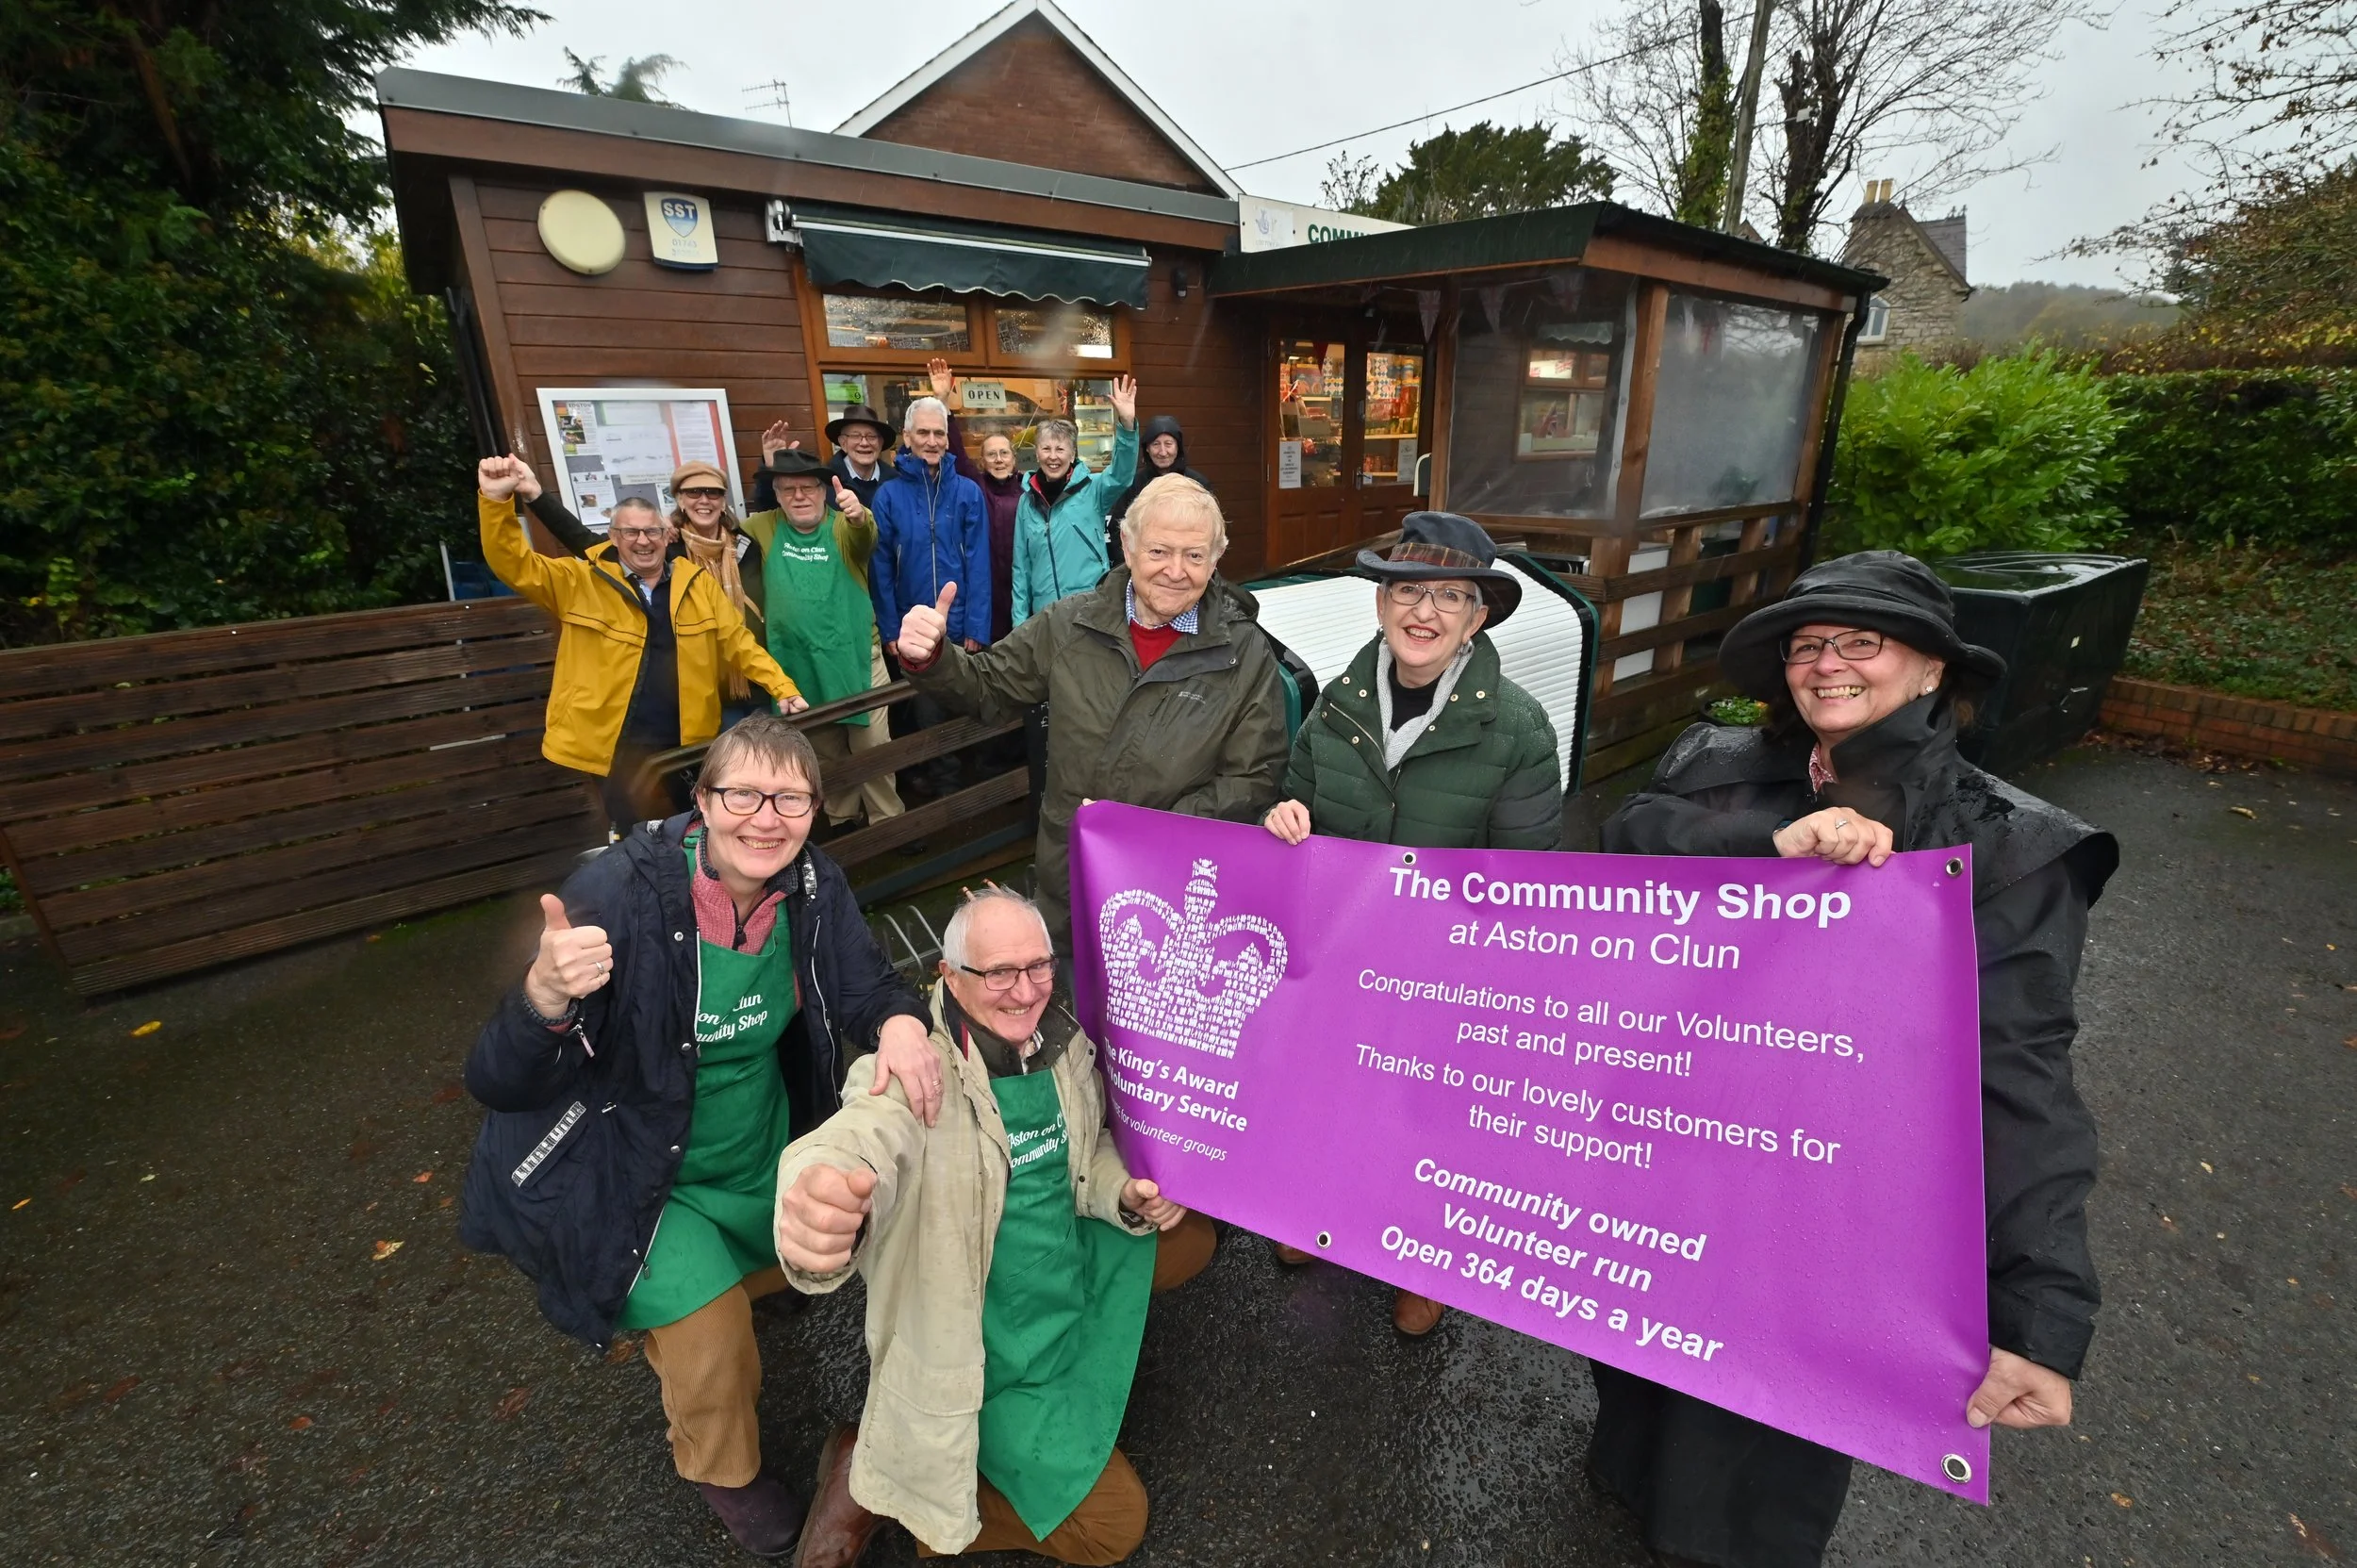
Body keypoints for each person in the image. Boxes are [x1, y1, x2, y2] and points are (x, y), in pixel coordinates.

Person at [1588, 551, 2116, 1568]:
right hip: (1662, 1150)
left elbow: (2018, 1079)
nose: (1827, 664)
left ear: (1931, 670)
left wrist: (2039, 1313)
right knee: (1639, 1375)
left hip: (1824, 1196)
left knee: (1752, 1446)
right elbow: (1623, 851)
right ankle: (1625, 1484)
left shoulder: (2006, 847)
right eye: (1806, 645)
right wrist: (1765, 847)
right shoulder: (1715, 764)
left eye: (1860, 642)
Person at [457, 716, 951, 1558]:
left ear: (814, 808)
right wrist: (545, 995)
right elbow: (497, 1079)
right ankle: (723, 1470)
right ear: (702, 801)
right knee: (713, 1331)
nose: (766, 817)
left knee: (846, 1231)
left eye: (789, 797)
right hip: (639, 1171)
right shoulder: (618, 895)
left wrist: (902, 1021)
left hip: (753, 1144)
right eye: (742, 794)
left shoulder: (812, 886)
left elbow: (867, 986)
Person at [775, 886, 1217, 1566]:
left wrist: (1122, 1191)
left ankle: (1026, 1414)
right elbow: (864, 1132)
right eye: (998, 972)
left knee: (1191, 1237)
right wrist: (818, 1193)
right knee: (1115, 1528)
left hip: (1057, 1278)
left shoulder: (1060, 1037)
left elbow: (1085, 1151)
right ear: (949, 977)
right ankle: (909, 1495)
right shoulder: (914, 1068)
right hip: (982, 1348)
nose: (1023, 991)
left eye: (1038, 966)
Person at [1261, 512, 1562, 1337]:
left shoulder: (1520, 729)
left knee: (1426, 1118)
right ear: (1381, 603)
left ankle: (1420, 1257)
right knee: (1330, 1092)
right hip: (1341, 955)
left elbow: (1529, 884)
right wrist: (1284, 813)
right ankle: (1319, 1215)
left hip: (1445, 974)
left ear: (1478, 616)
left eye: (1450, 596)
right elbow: (1291, 795)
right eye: (1408, 591)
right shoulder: (1337, 706)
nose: (1424, 611)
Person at [891, 473, 1290, 946]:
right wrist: (933, 657)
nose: (1176, 570)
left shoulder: (1242, 652)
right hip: (1069, 886)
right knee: (1070, 1001)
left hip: (1174, 898)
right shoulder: (1069, 625)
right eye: (1159, 551)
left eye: (1195, 555)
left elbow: (1254, 778)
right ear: (1126, 542)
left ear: (1216, 559)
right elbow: (987, 687)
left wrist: (1143, 830)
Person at [475, 456, 804, 834]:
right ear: (613, 537)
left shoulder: (697, 584)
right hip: (615, 742)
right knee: (632, 833)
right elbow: (512, 564)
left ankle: (701, 890)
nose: (643, 541)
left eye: (651, 532)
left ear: (667, 536)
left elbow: (739, 642)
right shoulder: (579, 581)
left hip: (684, 739)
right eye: (630, 533)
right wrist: (496, 502)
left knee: (700, 825)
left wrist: (781, 686)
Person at [741, 449, 906, 831]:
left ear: (823, 490)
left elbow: (866, 536)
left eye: (808, 487)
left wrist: (859, 515)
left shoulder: (841, 525)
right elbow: (714, 538)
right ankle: (842, 816)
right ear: (777, 495)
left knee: (872, 746)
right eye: (788, 489)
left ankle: (889, 821)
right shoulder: (761, 528)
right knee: (822, 750)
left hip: (856, 658)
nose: (799, 496)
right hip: (797, 662)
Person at [871, 395, 993, 799]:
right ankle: (945, 798)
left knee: (965, 708)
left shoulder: (967, 492)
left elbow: (978, 564)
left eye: (939, 432)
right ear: (906, 437)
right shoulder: (889, 496)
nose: (931, 440)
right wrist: (890, 627)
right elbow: (883, 568)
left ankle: (967, 791)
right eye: (922, 432)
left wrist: (976, 624)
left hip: (959, 627)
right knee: (926, 714)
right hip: (914, 630)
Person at [1010, 379, 1139, 624]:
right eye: (1046, 449)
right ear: (1036, 453)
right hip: (1045, 616)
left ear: (1072, 453)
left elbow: (1121, 475)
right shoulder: (1027, 502)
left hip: (1089, 609)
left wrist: (1127, 426)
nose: (1053, 457)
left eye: (1060, 449)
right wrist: (1019, 624)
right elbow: (1021, 569)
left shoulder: (1092, 490)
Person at [925, 358, 1026, 645]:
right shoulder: (976, 486)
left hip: (1021, 587)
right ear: (982, 461)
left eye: (1004, 453)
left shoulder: (1028, 491)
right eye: (991, 455)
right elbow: (953, 448)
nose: (998, 459)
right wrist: (942, 401)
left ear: (1013, 458)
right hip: (988, 590)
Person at [1103, 415, 1212, 560]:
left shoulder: (1197, 484)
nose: (1162, 452)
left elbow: (1210, 531)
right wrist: (1127, 565)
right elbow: (1119, 527)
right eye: (1155, 444)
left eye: (1168, 444)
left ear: (1178, 447)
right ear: (1147, 448)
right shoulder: (1133, 484)